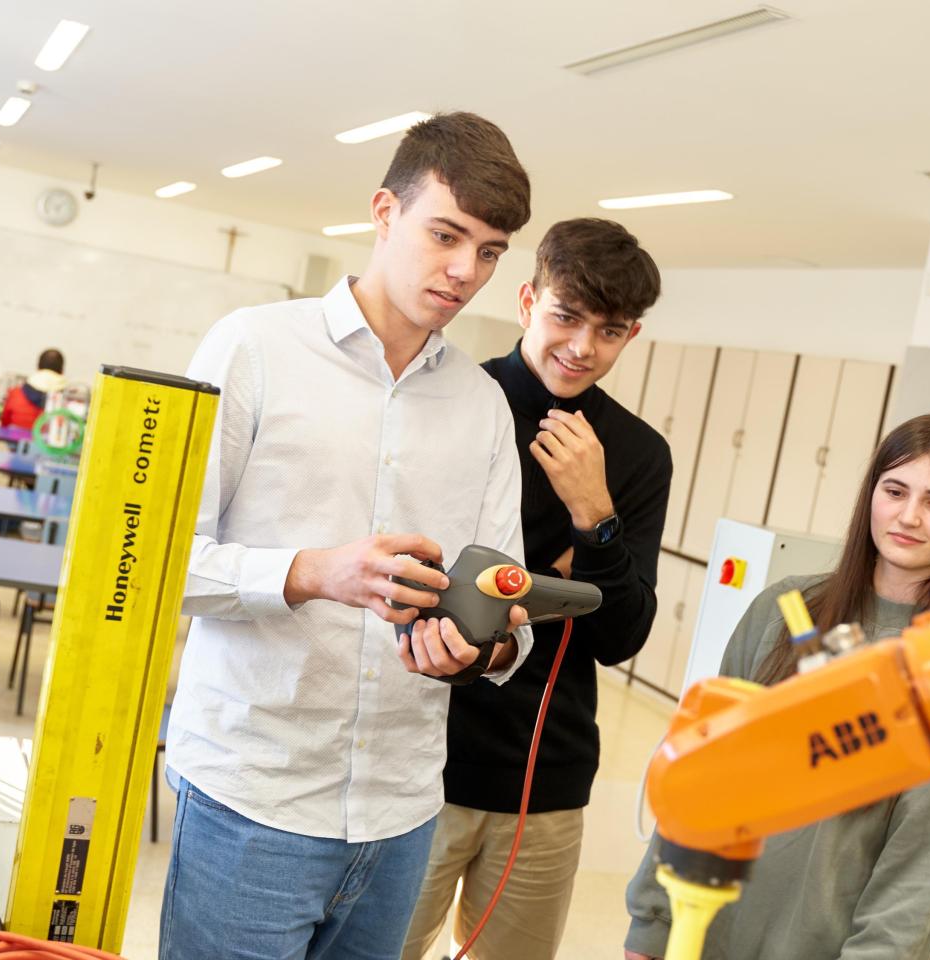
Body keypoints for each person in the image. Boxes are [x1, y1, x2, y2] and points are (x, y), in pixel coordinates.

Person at [161, 112, 537, 960]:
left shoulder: (481, 404)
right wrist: (311, 573)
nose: (463, 270)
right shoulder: (253, 348)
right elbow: (164, 569)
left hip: (402, 814)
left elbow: (505, 613)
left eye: (488, 251)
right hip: (252, 798)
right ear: (383, 211)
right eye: (446, 234)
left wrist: (474, 651)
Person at [624, 413, 930, 960]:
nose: (909, 517)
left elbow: (920, 867)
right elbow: (701, 777)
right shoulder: (782, 611)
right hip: (699, 934)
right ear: (871, 494)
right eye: (894, 491)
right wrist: (653, 921)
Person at [403, 219, 671, 960]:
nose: (583, 347)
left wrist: (597, 515)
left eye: (609, 330)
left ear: (632, 334)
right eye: (566, 317)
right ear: (528, 300)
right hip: (423, 761)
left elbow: (618, 637)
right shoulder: (453, 398)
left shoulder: (639, 456)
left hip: (544, 774)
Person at [0, 348, 65, 429]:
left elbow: (4, 423)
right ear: (62, 371)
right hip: (46, 441)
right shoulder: (64, 402)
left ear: (38, 367)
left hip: (14, 440)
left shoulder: (15, 393)